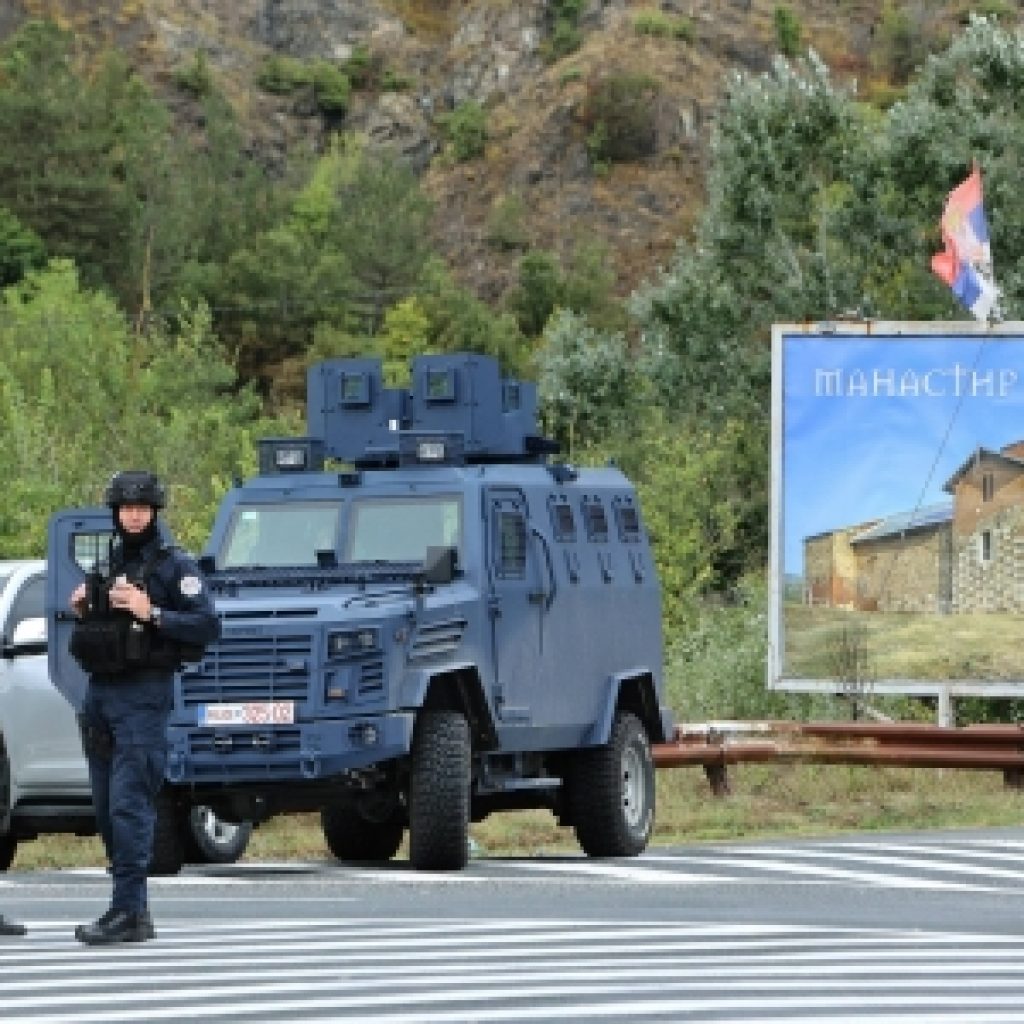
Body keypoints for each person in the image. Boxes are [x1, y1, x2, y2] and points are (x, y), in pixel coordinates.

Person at [68, 470, 219, 946]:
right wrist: (86, 605)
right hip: (101, 693)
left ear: (154, 512)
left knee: (131, 805)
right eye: (125, 508)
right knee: (107, 807)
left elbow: (207, 625)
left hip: (143, 696)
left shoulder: (176, 567)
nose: (133, 515)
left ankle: (130, 912)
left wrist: (150, 611)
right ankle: (128, 908)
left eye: (142, 508)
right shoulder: (112, 560)